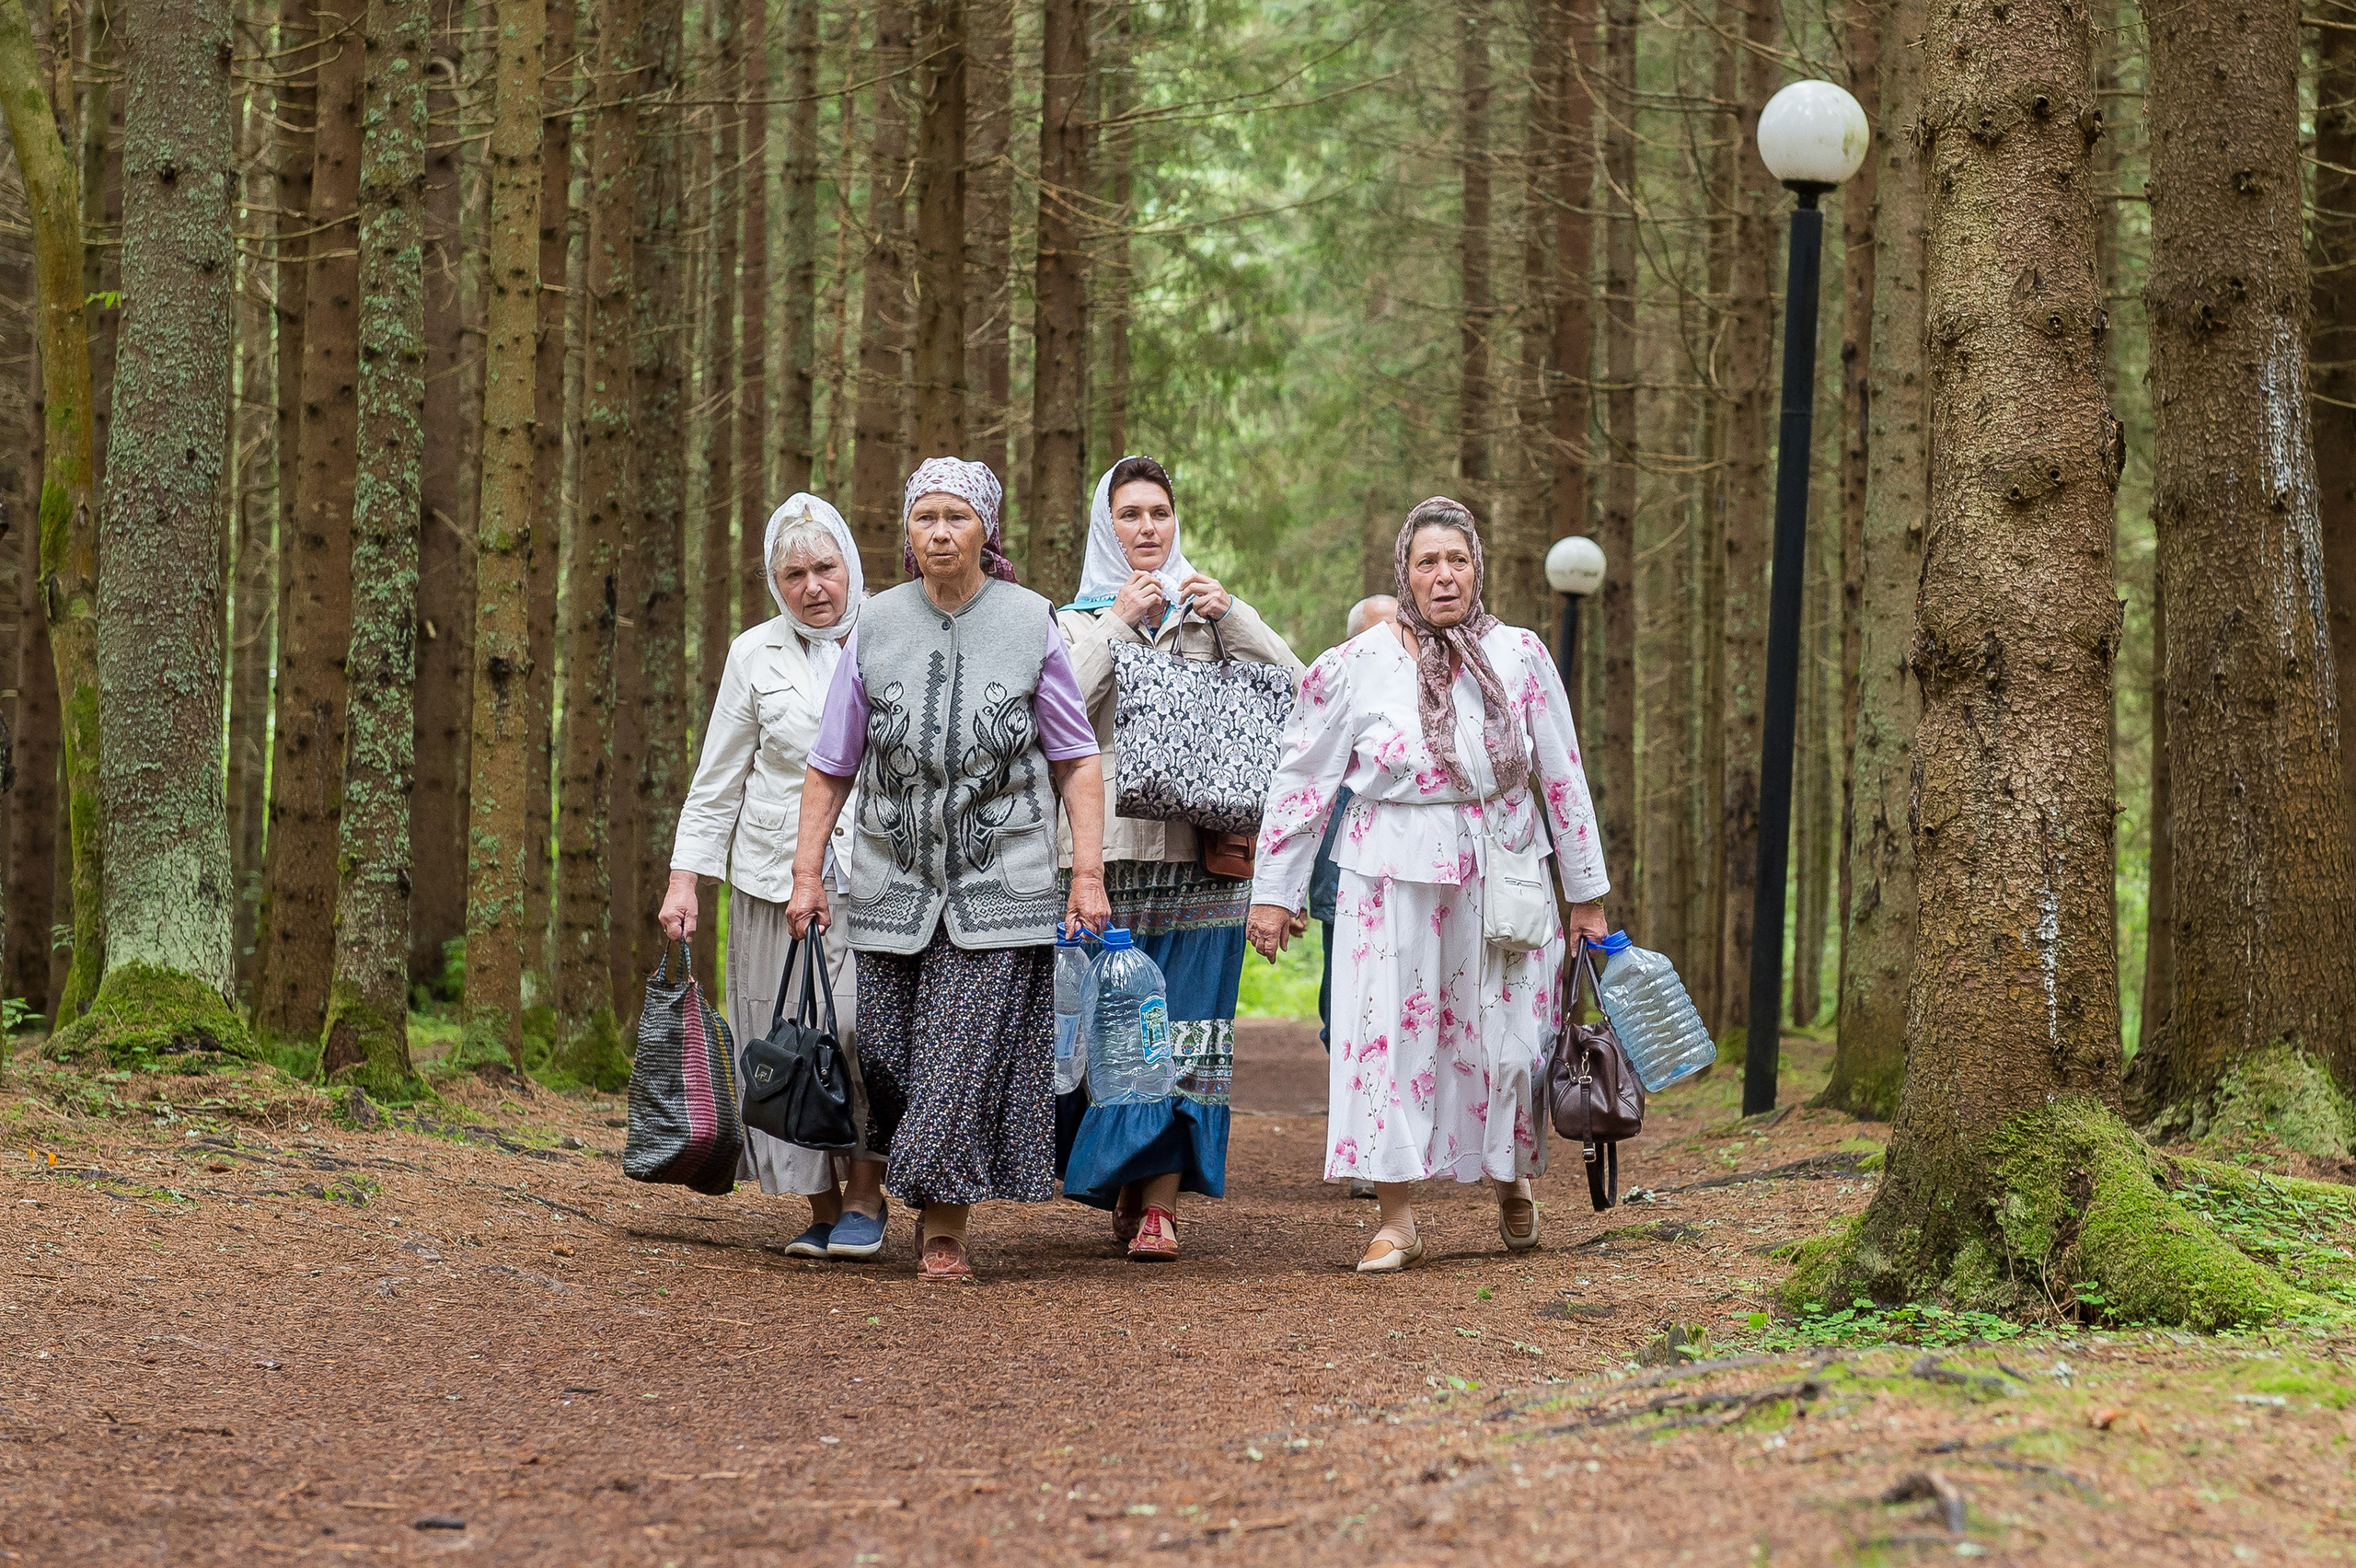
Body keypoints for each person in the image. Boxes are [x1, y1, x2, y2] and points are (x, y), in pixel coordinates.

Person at [1244, 498, 1610, 1274]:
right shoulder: (1356, 664)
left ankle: (1512, 1182)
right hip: (1388, 872)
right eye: (1427, 563)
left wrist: (1586, 895)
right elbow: (1302, 781)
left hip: (1503, 865)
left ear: (1478, 568)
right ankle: (1397, 1216)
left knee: (1510, 1041)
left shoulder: (1519, 655)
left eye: (1458, 561)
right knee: (1387, 1036)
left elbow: (1563, 775)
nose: (1444, 576)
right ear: (1405, 574)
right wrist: (1274, 892)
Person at [787, 457, 1113, 1283]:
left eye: (955, 518)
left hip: (1001, 881)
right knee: (890, 1055)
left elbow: (1076, 759)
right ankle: (922, 1186)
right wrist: (807, 874)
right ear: (906, 530)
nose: (939, 532)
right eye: (924, 517)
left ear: (984, 530)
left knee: (957, 1058)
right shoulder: (877, 622)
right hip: (892, 882)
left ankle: (943, 1230)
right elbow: (833, 764)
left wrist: (1086, 875)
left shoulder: (1030, 620)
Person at [1052, 455, 1305, 1262]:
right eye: (1129, 515)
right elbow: (1053, 714)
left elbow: (1303, 696)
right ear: (1107, 526)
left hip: (1204, 862)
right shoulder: (1072, 620)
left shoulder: (1215, 617)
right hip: (1107, 861)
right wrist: (1120, 624)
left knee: (1188, 1028)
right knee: (1115, 1029)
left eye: (1159, 513)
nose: (1147, 529)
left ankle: (1160, 1206)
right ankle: (1123, 1182)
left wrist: (1235, 621)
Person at [661, 494, 889, 1261]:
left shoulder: (890, 634)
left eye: (826, 567)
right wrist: (684, 879)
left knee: (859, 1034)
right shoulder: (753, 653)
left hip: (877, 874)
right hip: (769, 882)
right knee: (786, 1044)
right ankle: (820, 1207)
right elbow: (718, 778)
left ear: (851, 566)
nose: (813, 586)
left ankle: (866, 1193)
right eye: (794, 573)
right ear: (774, 580)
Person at [1309, 594, 1396, 1204]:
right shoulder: (1336, 690)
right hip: (1345, 872)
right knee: (1349, 1008)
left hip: (1419, 871)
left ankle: (1401, 1137)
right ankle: (1365, 1144)